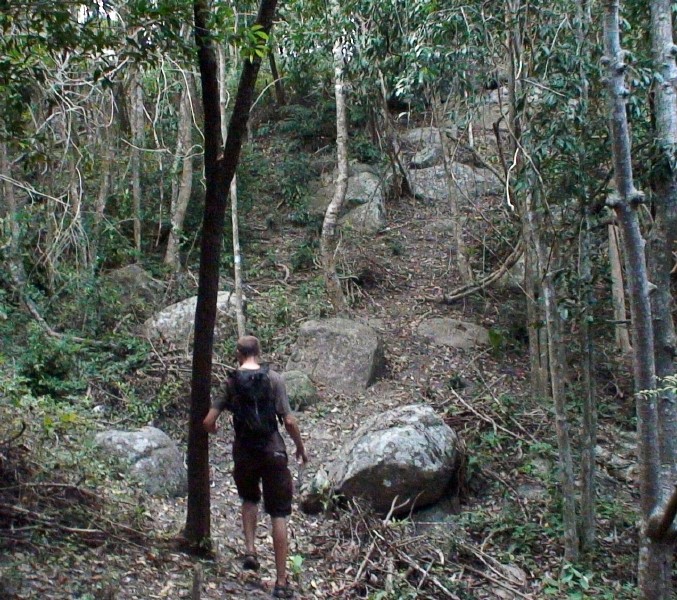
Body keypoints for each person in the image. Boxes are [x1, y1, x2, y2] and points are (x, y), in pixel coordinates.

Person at [203, 335, 308, 599]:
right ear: (258, 353)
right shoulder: (274, 379)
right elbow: (290, 420)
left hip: (245, 452)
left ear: (238, 354)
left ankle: (250, 552)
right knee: (278, 514)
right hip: (273, 451)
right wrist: (300, 447)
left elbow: (208, 422)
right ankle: (281, 582)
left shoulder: (231, 382)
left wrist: (215, 430)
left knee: (249, 499)